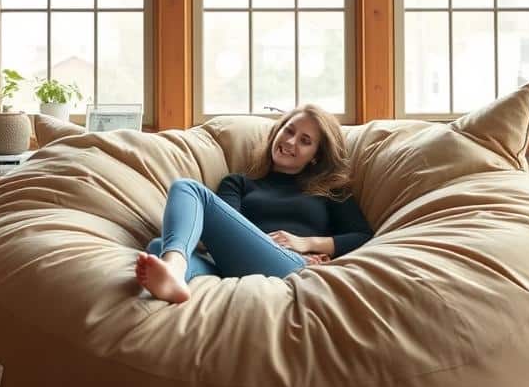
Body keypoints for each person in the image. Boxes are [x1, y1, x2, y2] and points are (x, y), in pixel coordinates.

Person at [136, 104, 373, 305]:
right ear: (276, 132)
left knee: (188, 188)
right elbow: (223, 232)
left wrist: (305, 243)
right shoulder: (238, 183)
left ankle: (174, 272)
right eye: (288, 130)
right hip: (235, 265)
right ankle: (173, 274)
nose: (290, 142)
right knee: (158, 247)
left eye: (305, 140)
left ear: (315, 155)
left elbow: (362, 236)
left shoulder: (330, 190)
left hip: (288, 264)